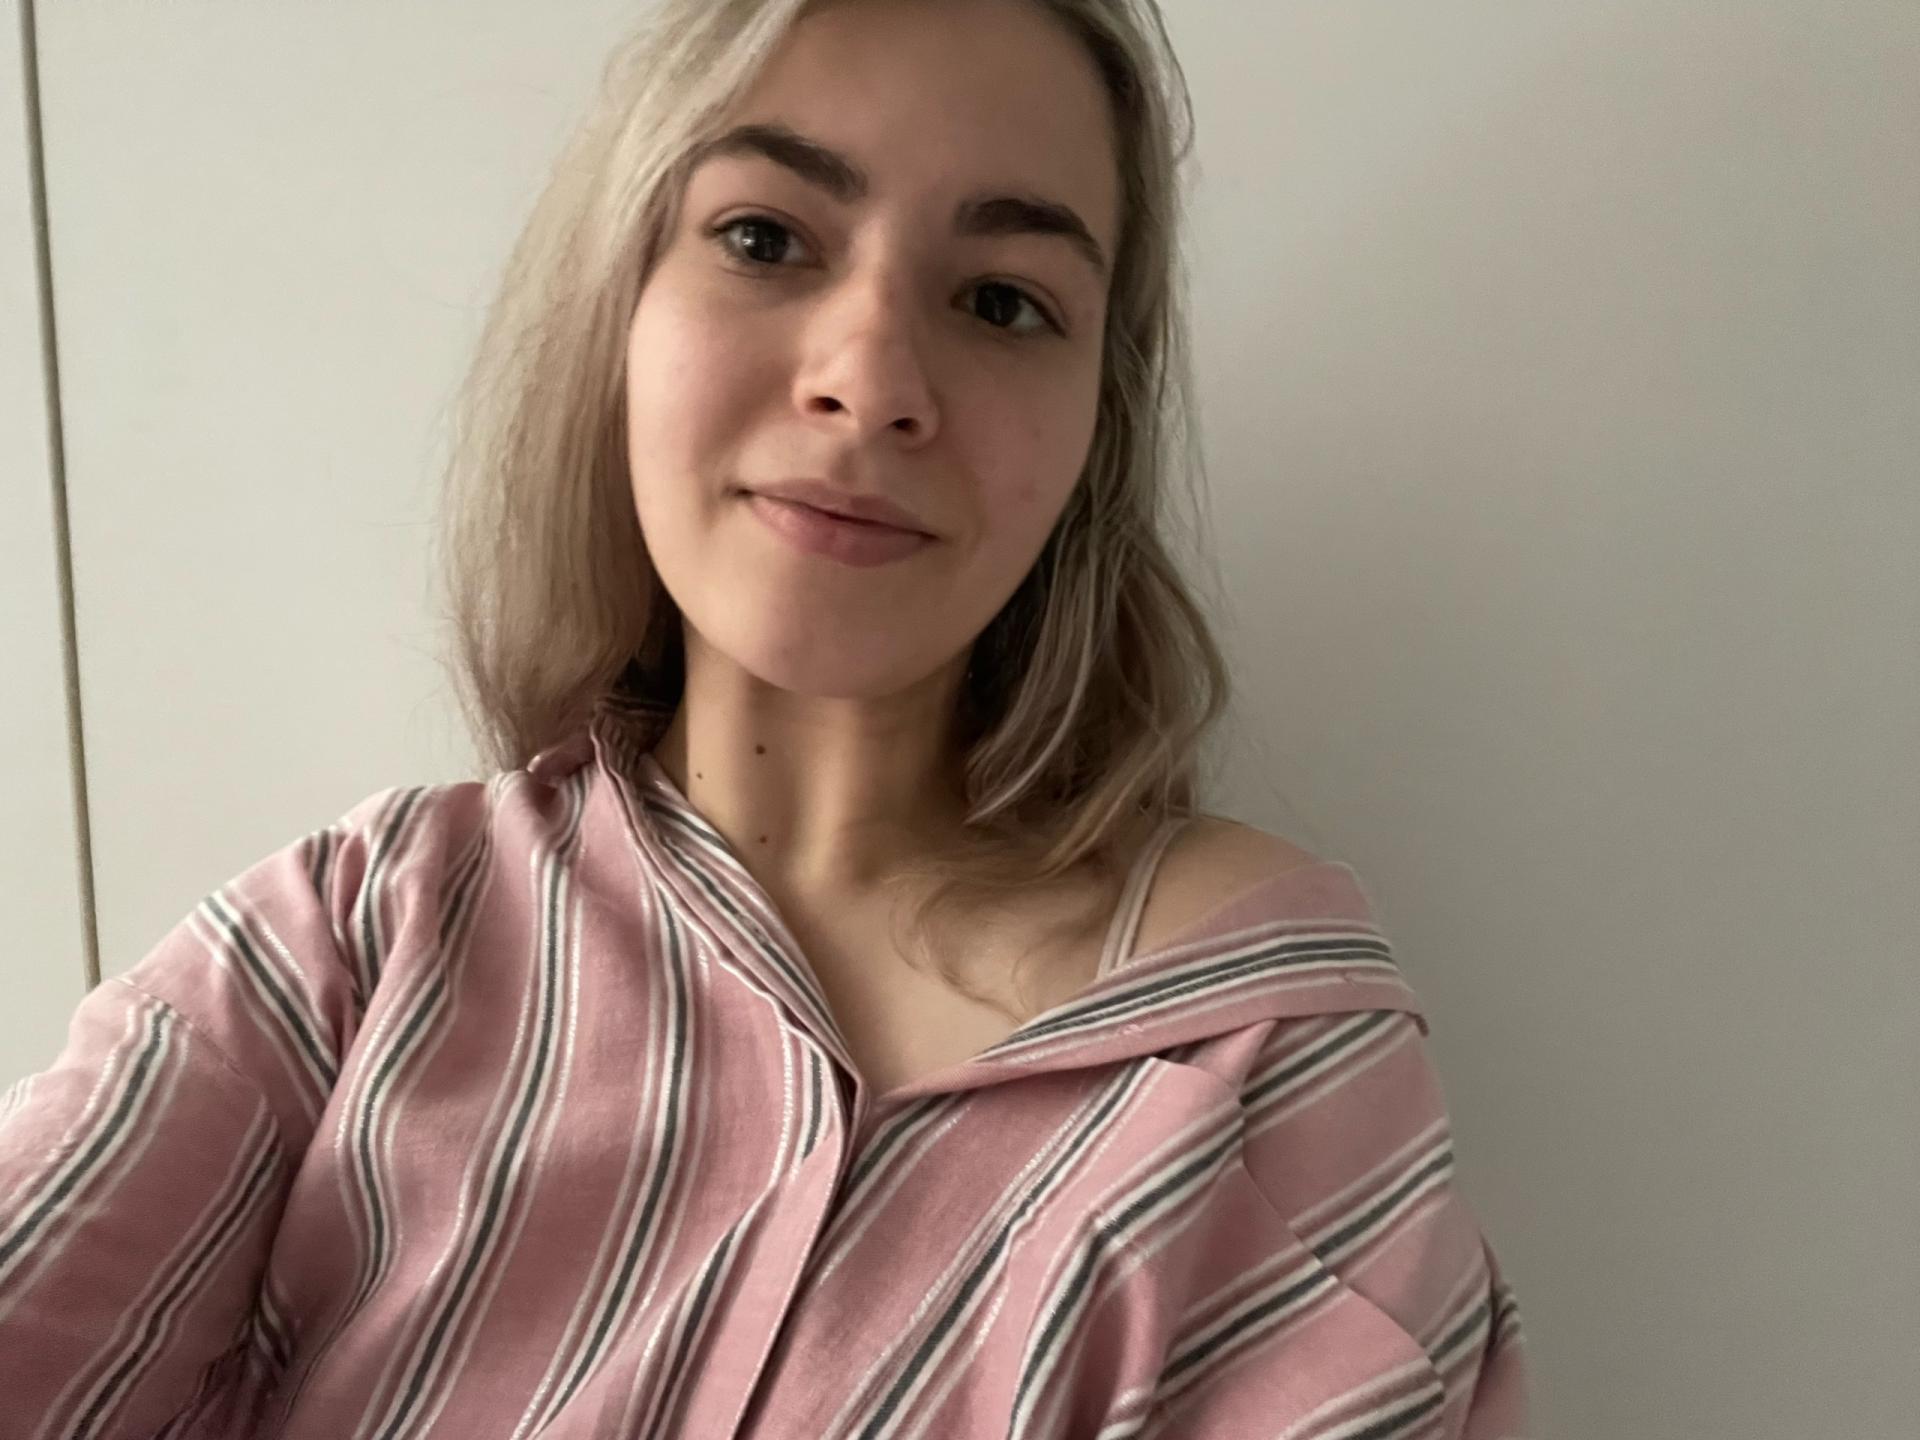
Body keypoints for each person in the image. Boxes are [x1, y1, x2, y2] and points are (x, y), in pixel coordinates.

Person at [0, 0, 1534, 1434]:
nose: (871, 380)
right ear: (620, 308)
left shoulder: (1265, 1054)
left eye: (1004, 301)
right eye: (764, 237)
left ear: (1094, 425)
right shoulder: (354, 947)